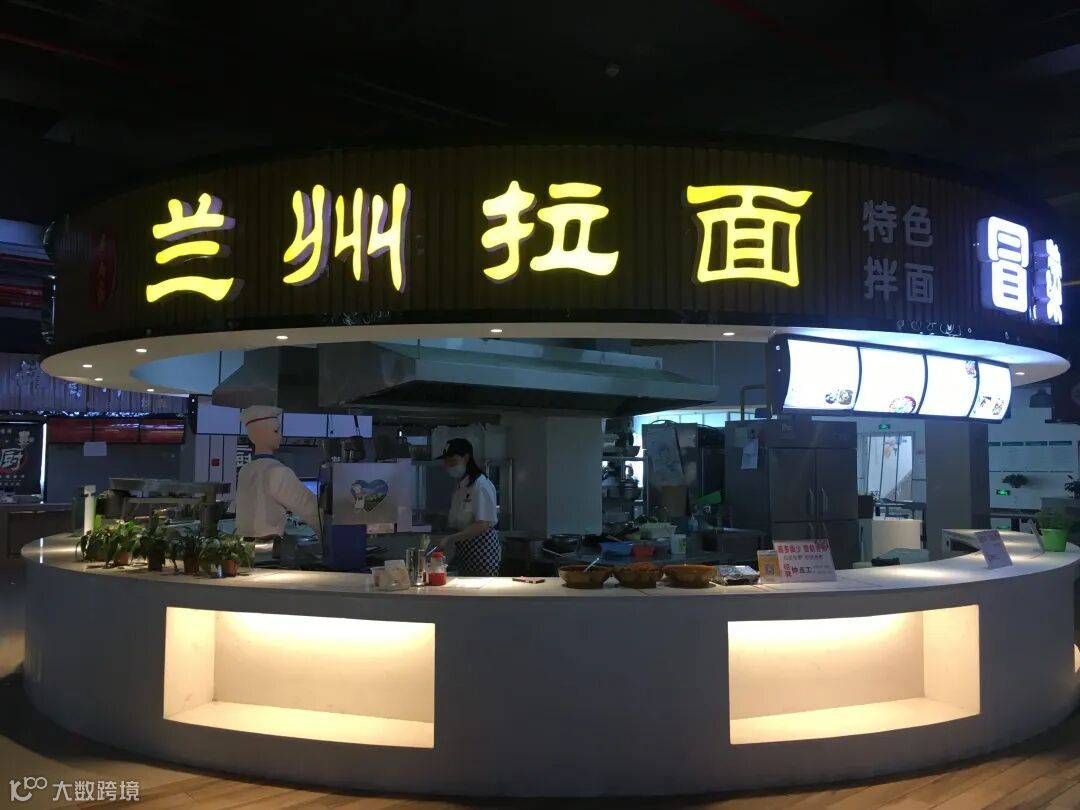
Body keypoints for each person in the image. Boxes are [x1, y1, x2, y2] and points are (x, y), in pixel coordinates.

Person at [234, 405, 321, 557]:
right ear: (259, 435)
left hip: (242, 551)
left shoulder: (245, 470)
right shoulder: (278, 471)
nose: (280, 435)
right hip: (269, 551)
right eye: (276, 431)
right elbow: (312, 510)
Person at [436, 438, 500, 576]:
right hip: (464, 551)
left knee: (482, 588)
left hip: (483, 552)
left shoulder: (481, 485)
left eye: (453, 461)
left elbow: (482, 525)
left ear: (466, 458)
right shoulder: (461, 486)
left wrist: (450, 539)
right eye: (447, 462)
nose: (449, 466)